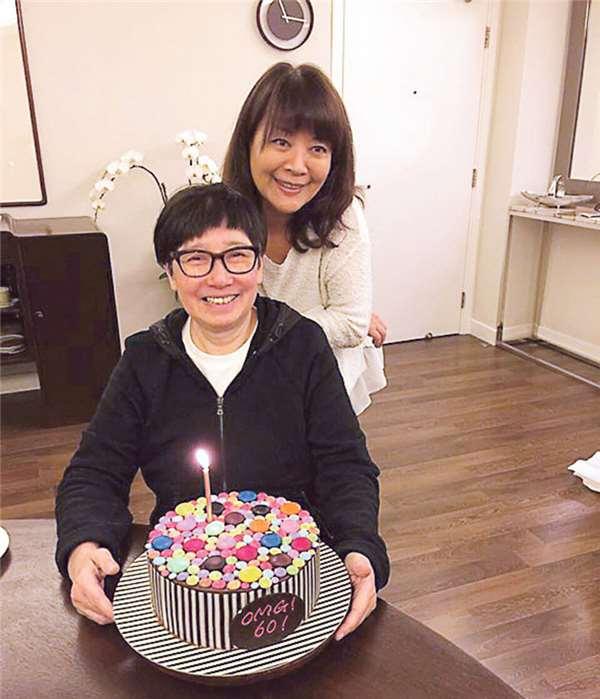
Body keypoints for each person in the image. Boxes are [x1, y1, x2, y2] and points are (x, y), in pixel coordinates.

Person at [55, 183, 389, 642]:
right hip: (183, 585)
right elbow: (94, 471)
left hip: (296, 578)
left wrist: (360, 546)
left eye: (237, 256)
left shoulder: (302, 345)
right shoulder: (145, 359)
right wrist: (83, 546)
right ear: (170, 272)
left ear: (259, 264)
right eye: (196, 259)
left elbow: (346, 465)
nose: (219, 278)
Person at [223, 62, 387, 415]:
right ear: (248, 142)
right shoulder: (224, 217)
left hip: (325, 384)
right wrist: (326, 317)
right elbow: (215, 311)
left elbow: (351, 324)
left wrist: (257, 329)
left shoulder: (342, 217)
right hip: (252, 384)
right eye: (281, 142)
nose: (298, 166)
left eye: (318, 148)